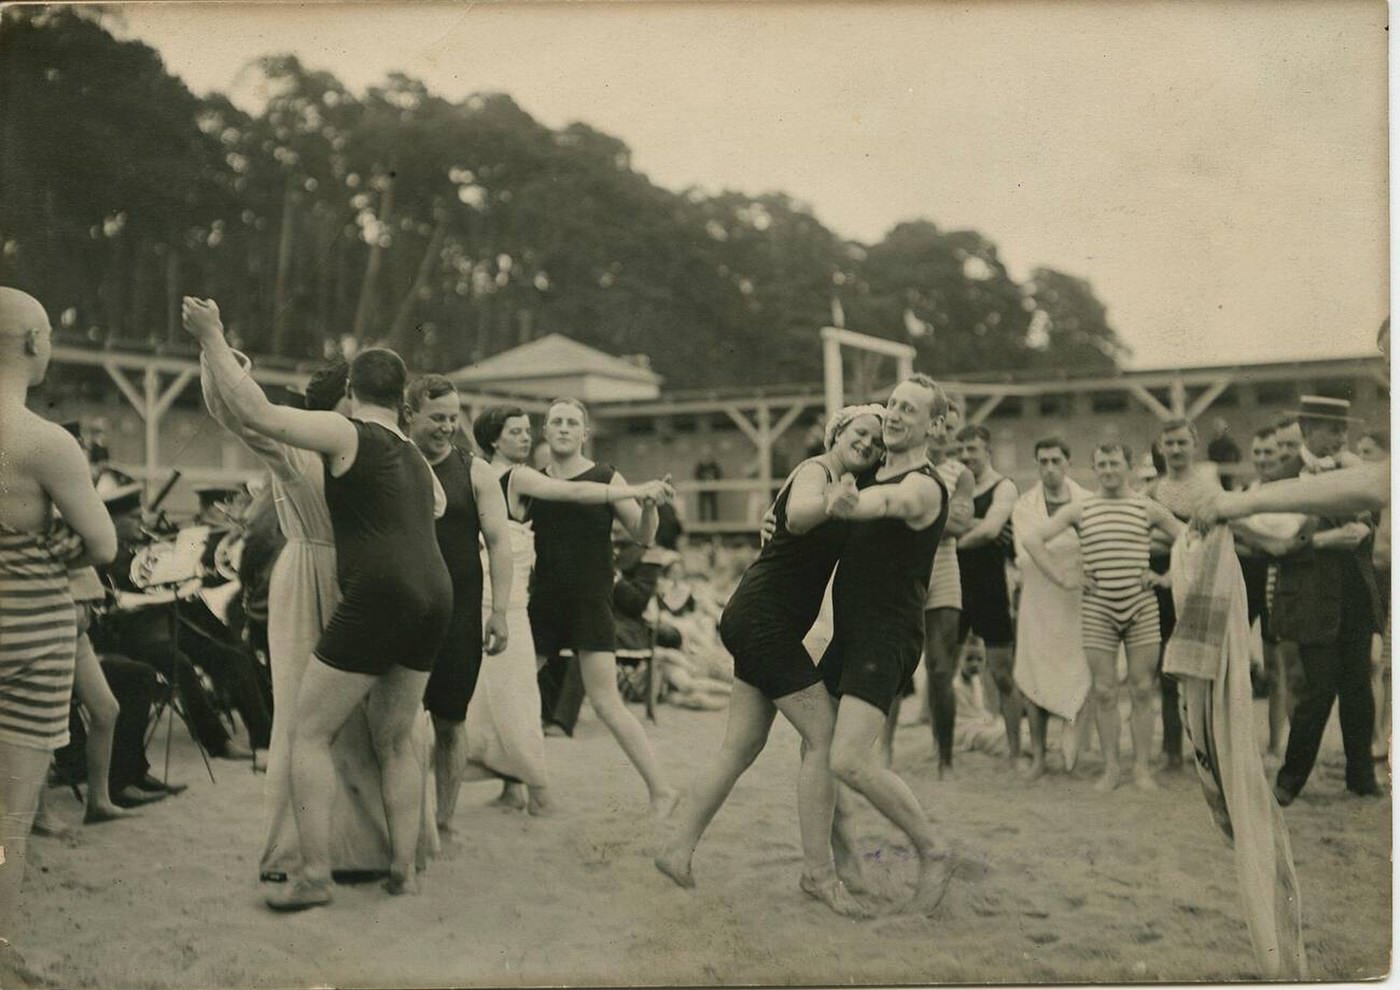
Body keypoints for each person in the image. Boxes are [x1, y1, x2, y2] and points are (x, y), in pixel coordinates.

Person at [185, 296, 453, 909]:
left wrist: (212, 338)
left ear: (352, 393)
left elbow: (248, 411)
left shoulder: (340, 436)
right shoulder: (414, 455)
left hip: (365, 585)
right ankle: (404, 869)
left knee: (307, 732)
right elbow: (433, 509)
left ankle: (314, 876)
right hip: (433, 589)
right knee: (397, 736)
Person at [655, 404, 885, 916]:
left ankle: (676, 848)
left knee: (741, 745)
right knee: (825, 740)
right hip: (763, 623)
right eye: (860, 432)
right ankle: (819, 874)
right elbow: (802, 513)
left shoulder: (848, 485)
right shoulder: (817, 473)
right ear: (838, 432)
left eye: (877, 440)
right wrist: (831, 501)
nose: (868, 443)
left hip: (757, 619)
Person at [0, 287, 118, 954]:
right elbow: (102, 545)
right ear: (36, 343)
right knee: (6, 825)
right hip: (32, 638)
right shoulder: (46, 443)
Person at [817, 374, 958, 914]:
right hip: (848, 630)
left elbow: (892, 504)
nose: (895, 415)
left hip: (888, 634)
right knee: (818, 751)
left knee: (849, 759)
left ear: (933, 425)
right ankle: (846, 859)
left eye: (909, 409)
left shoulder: (925, 484)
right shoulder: (869, 469)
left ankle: (933, 849)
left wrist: (853, 503)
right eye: (893, 405)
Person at [525, 396, 678, 814]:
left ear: (584, 433)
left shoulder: (608, 477)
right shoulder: (535, 481)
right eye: (555, 421)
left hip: (591, 600)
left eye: (572, 422)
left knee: (608, 703)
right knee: (517, 692)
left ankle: (662, 790)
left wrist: (649, 509)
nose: (562, 428)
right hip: (545, 601)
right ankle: (518, 788)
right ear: (545, 430)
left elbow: (645, 536)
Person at [1023, 442, 1185, 793]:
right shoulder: (1081, 509)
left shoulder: (1146, 507)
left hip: (1141, 606)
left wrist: (1169, 577)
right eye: (1102, 465)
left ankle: (1141, 768)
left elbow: (1188, 538)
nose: (1109, 471)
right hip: (1098, 608)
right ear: (1094, 469)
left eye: (1115, 463)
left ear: (1127, 465)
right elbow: (1034, 539)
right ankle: (1111, 768)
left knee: (1143, 690)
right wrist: (1065, 578)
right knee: (1105, 691)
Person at [1255, 396, 1382, 805]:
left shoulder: (1353, 469)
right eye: (1334, 429)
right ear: (1308, 430)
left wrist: (1364, 528)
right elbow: (1268, 540)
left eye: (1344, 430)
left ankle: (1361, 778)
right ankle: (1290, 781)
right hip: (1310, 598)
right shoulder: (1282, 477)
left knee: (1358, 689)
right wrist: (1322, 540)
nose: (1342, 438)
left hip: (1355, 595)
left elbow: (1372, 510)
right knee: (1318, 690)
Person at [404, 376, 513, 832]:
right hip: (402, 612)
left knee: (450, 722)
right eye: (437, 418)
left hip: (458, 614)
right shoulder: (394, 463)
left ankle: (444, 821)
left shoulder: (476, 471)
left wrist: (500, 610)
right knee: (400, 725)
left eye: (454, 417)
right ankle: (407, 820)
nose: (448, 427)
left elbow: (499, 543)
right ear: (409, 415)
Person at [1010, 437, 1093, 780]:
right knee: (1034, 675)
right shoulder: (1024, 506)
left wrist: (1057, 552)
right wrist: (1061, 561)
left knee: (1077, 672)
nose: (1049, 468)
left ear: (1068, 463)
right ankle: (1040, 756)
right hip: (1039, 600)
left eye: (1056, 461)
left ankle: (1072, 754)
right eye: (1042, 462)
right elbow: (1028, 555)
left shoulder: (1088, 502)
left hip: (1077, 601)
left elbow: (1089, 548)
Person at [1145, 418, 1220, 771]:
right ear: (1160, 447)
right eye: (1169, 443)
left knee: (1199, 668)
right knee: (1166, 668)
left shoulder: (1207, 489)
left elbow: (1206, 540)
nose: (1175, 450)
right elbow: (1143, 537)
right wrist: (1162, 566)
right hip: (1160, 585)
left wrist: (1169, 539)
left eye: (1181, 443)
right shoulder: (1153, 490)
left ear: (1194, 444)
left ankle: (1205, 750)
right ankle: (1171, 749)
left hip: (1197, 583)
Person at [953, 423, 1021, 762]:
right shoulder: (954, 485)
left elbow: (992, 529)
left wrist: (953, 538)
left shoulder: (1003, 486)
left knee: (1002, 673)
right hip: (954, 583)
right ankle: (944, 750)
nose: (966, 457)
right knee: (943, 670)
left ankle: (1014, 749)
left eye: (973, 450)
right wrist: (978, 526)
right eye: (961, 450)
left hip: (989, 585)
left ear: (987, 451)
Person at [919, 400, 975, 776]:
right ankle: (886, 749)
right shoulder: (903, 464)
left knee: (940, 668)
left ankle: (945, 758)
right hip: (900, 571)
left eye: (951, 427)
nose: (942, 433)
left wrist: (912, 513)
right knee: (893, 666)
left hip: (942, 569)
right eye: (937, 424)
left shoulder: (962, 474)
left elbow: (958, 527)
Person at [1206, 417, 1243, 489]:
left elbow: (1238, 454)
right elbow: (1210, 457)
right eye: (1215, 426)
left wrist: (1233, 466)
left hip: (1227, 471)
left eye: (1219, 426)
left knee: (1227, 489)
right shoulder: (1212, 443)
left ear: (1224, 428)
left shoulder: (1229, 441)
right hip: (1216, 471)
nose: (1216, 429)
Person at [694, 446, 722, 523]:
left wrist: (713, 481)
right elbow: (696, 476)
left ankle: (714, 524)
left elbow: (719, 475)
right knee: (702, 507)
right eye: (705, 455)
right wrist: (703, 481)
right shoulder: (699, 465)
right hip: (702, 489)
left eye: (708, 455)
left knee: (713, 507)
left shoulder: (714, 465)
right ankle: (702, 524)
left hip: (712, 489)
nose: (706, 457)